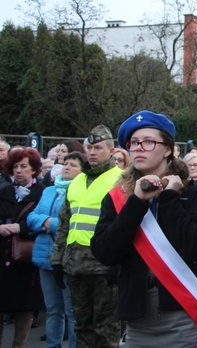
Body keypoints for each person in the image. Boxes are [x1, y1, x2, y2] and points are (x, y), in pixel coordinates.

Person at [91, 110, 197, 347]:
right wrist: (137, 203)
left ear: (169, 149)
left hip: (183, 313)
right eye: (134, 143)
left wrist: (170, 198)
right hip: (137, 318)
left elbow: (193, 246)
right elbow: (104, 252)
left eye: (149, 142)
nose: (139, 148)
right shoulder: (117, 197)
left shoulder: (191, 194)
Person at [51, 125, 122, 348]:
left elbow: (125, 225)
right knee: (82, 326)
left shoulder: (120, 179)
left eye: (98, 147)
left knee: (106, 329)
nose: (92, 152)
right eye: (89, 147)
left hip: (104, 266)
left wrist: (119, 261)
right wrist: (57, 259)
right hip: (76, 265)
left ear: (111, 152)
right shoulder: (77, 181)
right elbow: (65, 223)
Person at [28, 151, 85, 348]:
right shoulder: (49, 191)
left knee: (71, 312)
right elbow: (31, 217)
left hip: (68, 259)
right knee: (53, 310)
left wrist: (49, 224)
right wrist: (44, 220)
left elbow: (74, 223)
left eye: (73, 165)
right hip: (44, 257)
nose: (67, 167)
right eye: (65, 163)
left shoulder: (81, 191)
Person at [0, 147, 46, 348]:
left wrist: (22, 227)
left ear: (34, 169)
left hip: (28, 258)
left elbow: (48, 220)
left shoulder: (43, 193)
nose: (19, 171)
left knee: (25, 307)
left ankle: (19, 345)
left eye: (24, 166)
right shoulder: (4, 191)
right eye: (15, 167)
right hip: (3, 255)